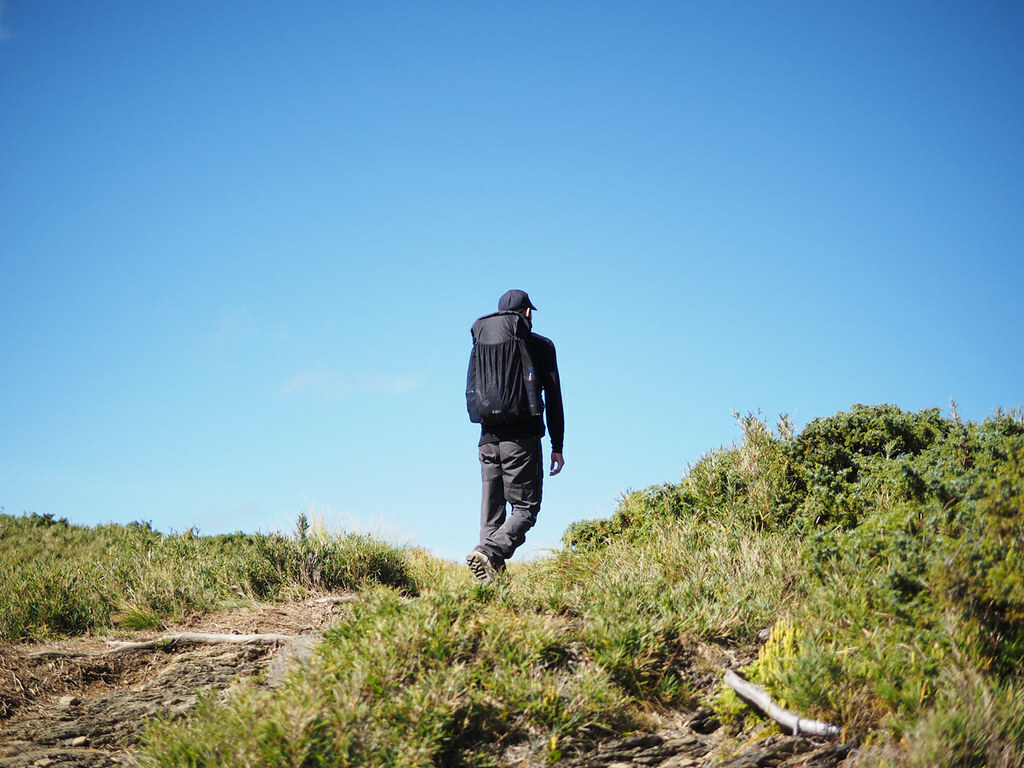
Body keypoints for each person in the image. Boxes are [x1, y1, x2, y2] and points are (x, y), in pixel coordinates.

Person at [466, 289, 565, 584]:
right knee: (525, 509)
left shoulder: (483, 344)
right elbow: (554, 399)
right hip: (521, 440)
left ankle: (490, 588)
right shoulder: (542, 346)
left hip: (487, 440)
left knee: (491, 516)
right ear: (527, 313)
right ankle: (488, 551)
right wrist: (557, 445)